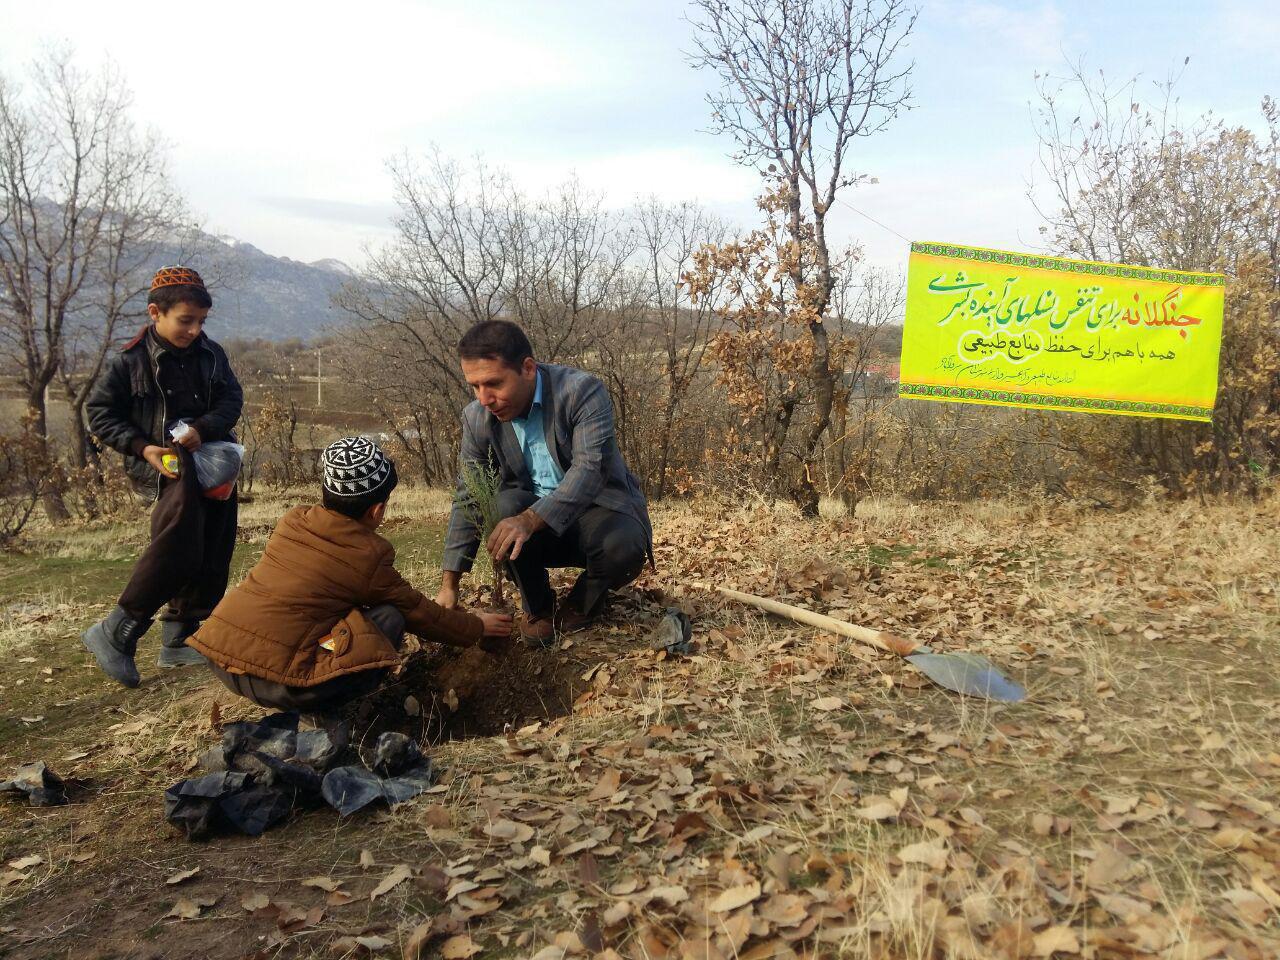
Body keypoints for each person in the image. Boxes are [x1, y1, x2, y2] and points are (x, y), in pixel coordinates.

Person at [188, 437, 512, 714]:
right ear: (377, 510)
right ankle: (327, 717)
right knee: (388, 617)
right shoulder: (367, 555)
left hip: (223, 657)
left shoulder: (293, 522)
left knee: (341, 614)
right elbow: (420, 613)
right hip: (285, 683)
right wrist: (476, 626)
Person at [437, 321, 652, 645]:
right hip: (534, 527)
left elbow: (590, 469)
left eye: (493, 383)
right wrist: (449, 585)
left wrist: (529, 519)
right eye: (475, 386)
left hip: (597, 513)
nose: (484, 398)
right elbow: (469, 494)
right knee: (501, 507)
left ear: (527, 368)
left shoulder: (581, 392)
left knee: (623, 545)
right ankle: (538, 606)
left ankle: (583, 602)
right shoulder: (477, 418)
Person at [82, 266, 243, 686]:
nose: (193, 330)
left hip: (212, 463)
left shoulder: (212, 355)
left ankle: (182, 640)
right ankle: (118, 629)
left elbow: (231, 398)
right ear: (156, 312)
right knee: (180, 546)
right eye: (185, 320)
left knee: (214, 547)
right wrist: (143, 448)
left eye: (200, 322)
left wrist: (204, 429)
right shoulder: (130, 361)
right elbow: (100, 414)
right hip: (165, 469)